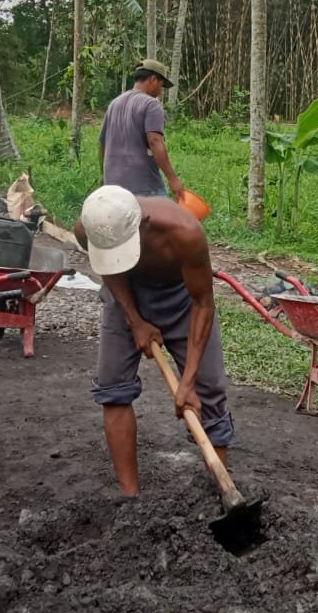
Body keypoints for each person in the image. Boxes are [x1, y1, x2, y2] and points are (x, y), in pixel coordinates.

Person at [74, 185, 235, 497]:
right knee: (113, 387)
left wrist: (187, 381)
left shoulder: (184, 233)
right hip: (126, 295)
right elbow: (110, 270)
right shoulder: (88, 228)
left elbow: (203, 303)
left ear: (143, 224)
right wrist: (135, 321)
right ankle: (130, 499)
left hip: (184, 301)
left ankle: (221, 495)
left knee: (209, 394)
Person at [99, 59, 185, 199]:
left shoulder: (114, 104)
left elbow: (103, 144)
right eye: (161, 85)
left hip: (112, 186)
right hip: (144, 187)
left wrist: (104, 175)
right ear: (153, 80)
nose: (160, 91)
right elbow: (155, 141)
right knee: (164, 211)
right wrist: (173, 179)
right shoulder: (151, 104)